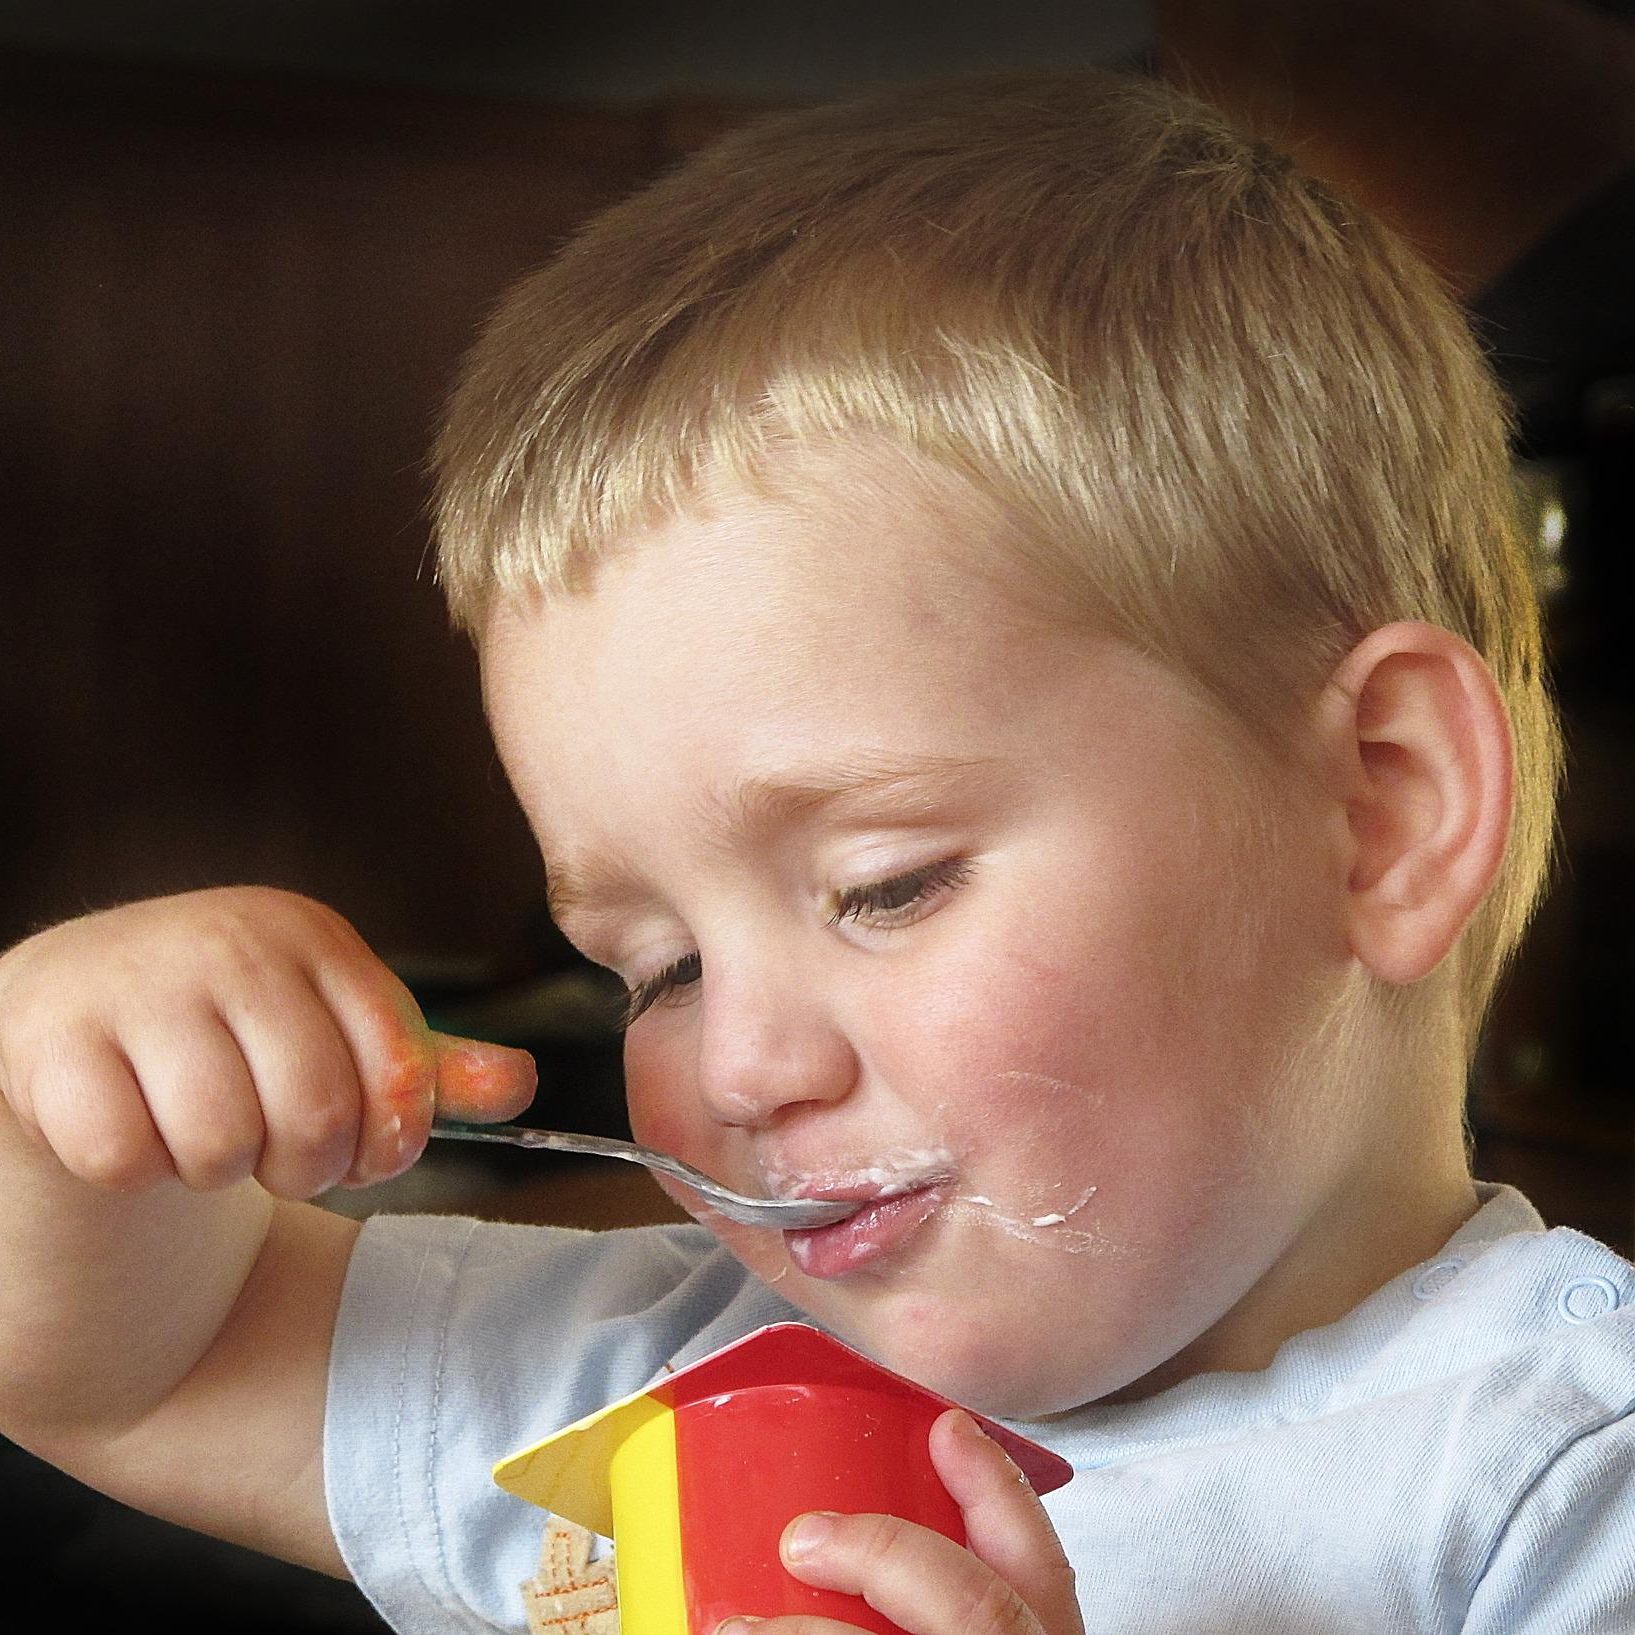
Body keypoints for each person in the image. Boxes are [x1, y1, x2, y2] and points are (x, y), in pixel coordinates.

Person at [1, 67, 1630, 1635]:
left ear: (1382, 809)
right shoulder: (653, 1393)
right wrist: (57, 1100)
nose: (743, 1069)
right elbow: (138, 1359)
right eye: (663, 969)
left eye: (884, 884)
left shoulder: (1561, 1488)